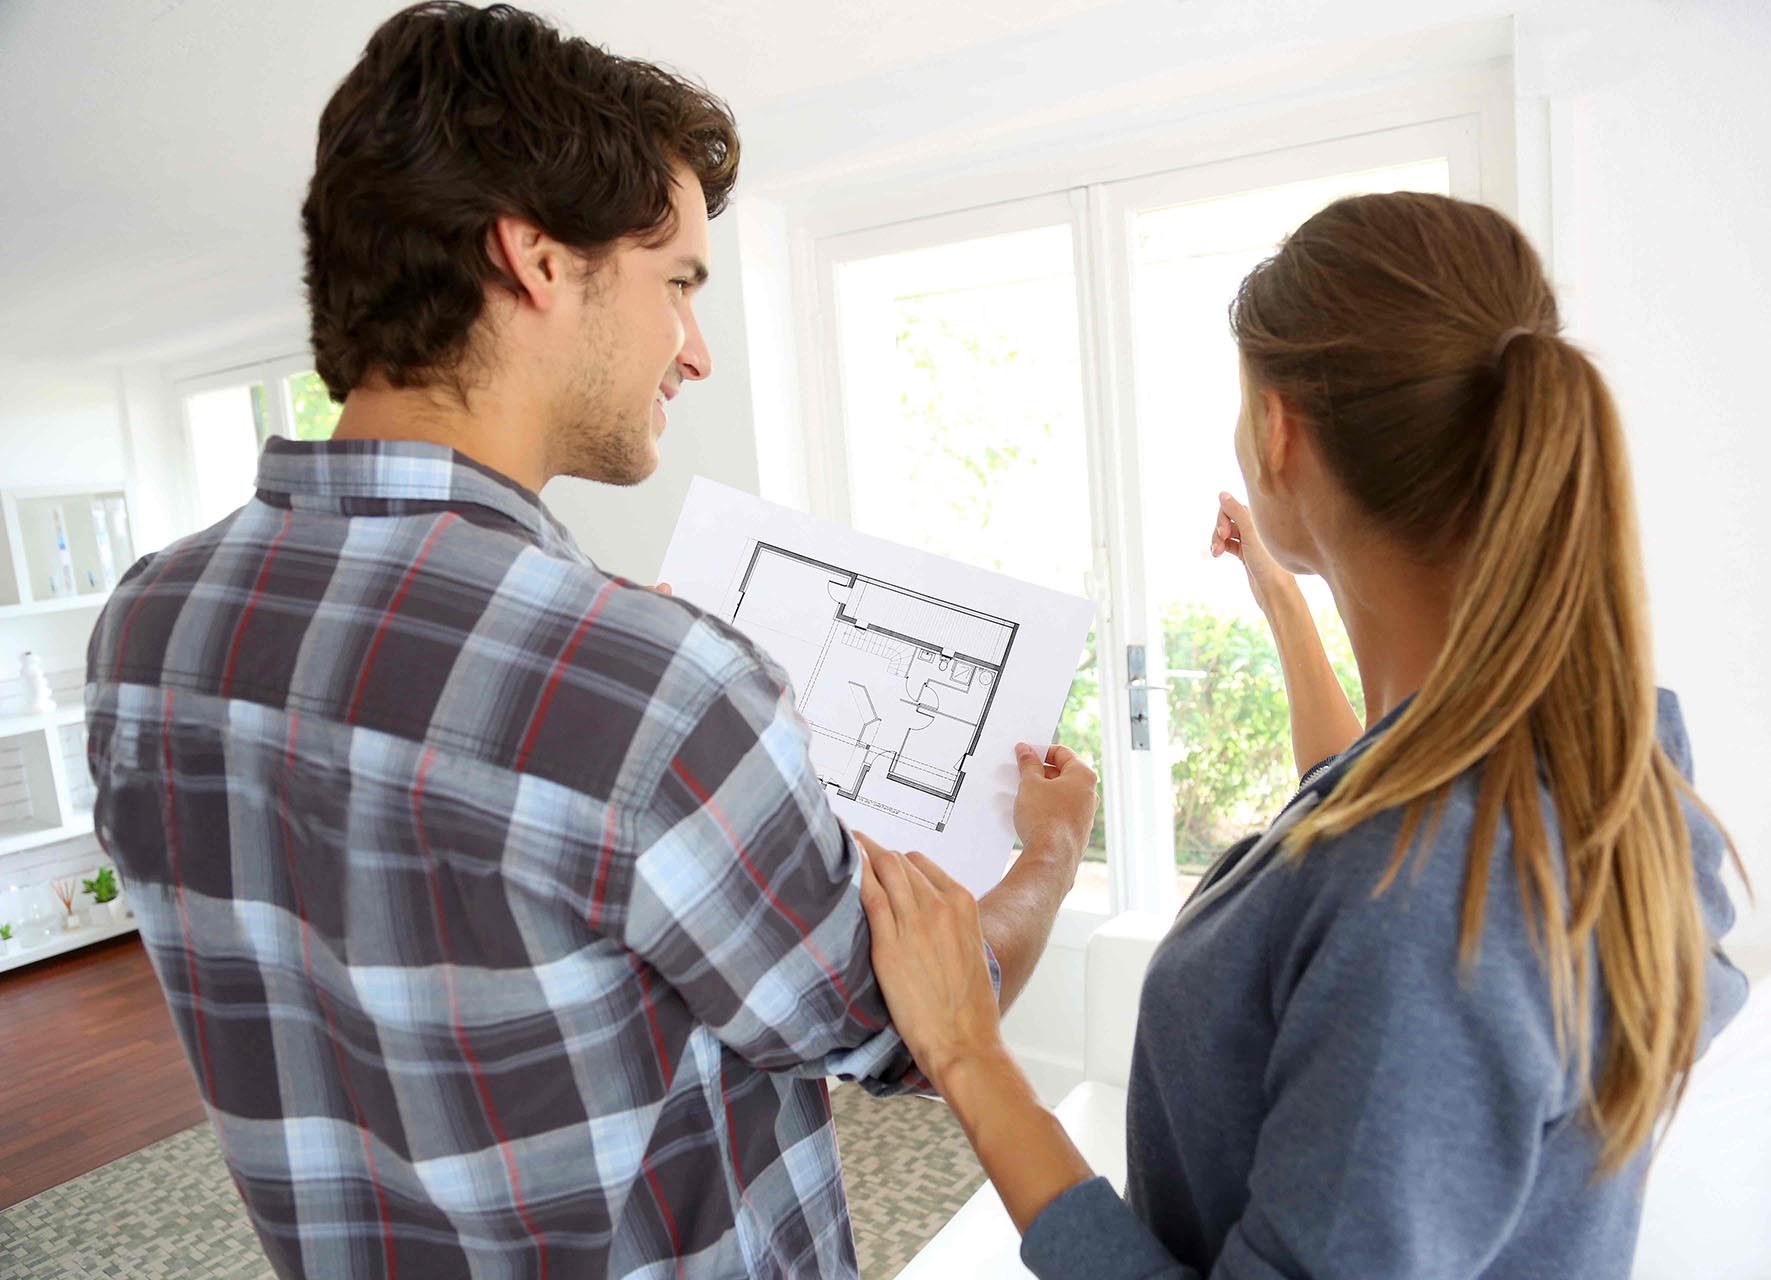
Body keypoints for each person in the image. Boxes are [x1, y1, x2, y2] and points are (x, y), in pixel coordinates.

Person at [83, 4, 1093, 1277]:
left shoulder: (145, 627)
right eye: (678, 284)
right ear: (538, 261)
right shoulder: (661, 689)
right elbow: (910, 1034)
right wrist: (1050, 853)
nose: (696, 352)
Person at [854, 191, 1749, 1279]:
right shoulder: (1589, 759)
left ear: (1278, 431)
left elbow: (1387, 889)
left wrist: (966, 1049)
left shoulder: (1428, 904)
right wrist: (1281, 593)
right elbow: (1362, 789)